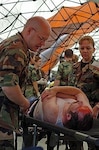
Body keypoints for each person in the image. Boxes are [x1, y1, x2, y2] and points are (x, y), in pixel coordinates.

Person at [0, 16, 51, 150]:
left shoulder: (18, 45)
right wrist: (24, 103)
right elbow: (8, 86)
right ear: (29, 31)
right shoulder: (16, 49)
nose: (43, 44)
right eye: (41, 38)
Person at [69, 35, 99, 150]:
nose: (85, 51)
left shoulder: (97, 67)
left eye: (88, 48)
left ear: (93, 49)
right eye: (82, 48)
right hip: (76, 111)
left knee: (93, 142)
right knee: (74, 142)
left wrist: (97, 106)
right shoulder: (74, 68)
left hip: (93, 110)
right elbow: (70, 87)